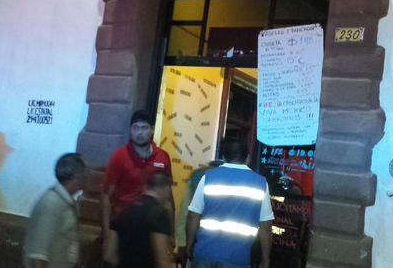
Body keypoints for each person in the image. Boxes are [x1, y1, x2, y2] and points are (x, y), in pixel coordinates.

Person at [186, 139, 273, 268]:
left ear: (223, 157)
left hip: (204, 253)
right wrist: (265, 259)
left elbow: (193, 215)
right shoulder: (260, 183)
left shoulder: (208, 177)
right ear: (248, 158)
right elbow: (266, 225)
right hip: (237, 258)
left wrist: (189, 245)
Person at [101, 110, 173, 236]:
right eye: (135, 128)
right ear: (130, 130)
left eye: (144, 128)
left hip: (154, 225)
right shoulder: (119, 156)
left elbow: (168, 197)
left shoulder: (162, 157)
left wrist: (171, 233)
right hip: (123, 224)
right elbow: (106, 196)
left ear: (152, 130)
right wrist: (106, 231)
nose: (139, 133)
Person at [24, 153, 88, 268]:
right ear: (77, 176)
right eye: (86, 172)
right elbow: (38, 256)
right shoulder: (51, 204)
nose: (89, 176)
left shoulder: (68, 202)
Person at [105, 171, 175, 268]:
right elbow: (162, 260)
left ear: (146, 187)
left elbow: (109, 255)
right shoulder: (159, 213)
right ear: (166, 188)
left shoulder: (124, 209)